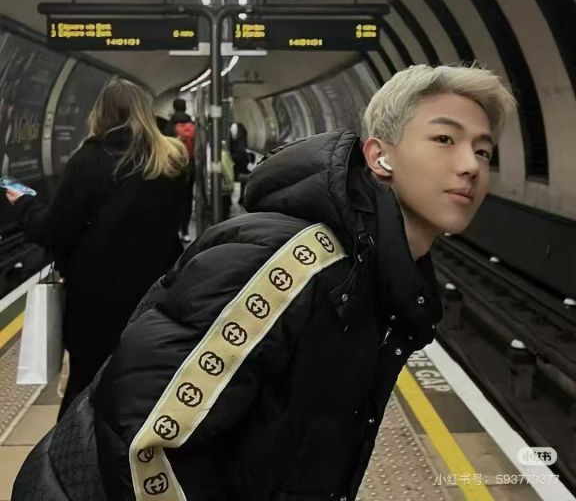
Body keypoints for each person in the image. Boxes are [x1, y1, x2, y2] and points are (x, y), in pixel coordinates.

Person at [13, 64, 516, 500]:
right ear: (380, 156)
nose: (470, 165)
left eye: (484, 151)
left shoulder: (373, 278)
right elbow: (144, 447)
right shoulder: (290, 265)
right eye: (445, 139)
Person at [6, 79, 189, 418]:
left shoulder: (88, 160)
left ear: (99, 114)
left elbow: (54, 231)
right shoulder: (172, 159)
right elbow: (180, 218)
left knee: (86, 388)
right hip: (156, 295)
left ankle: (75, 448)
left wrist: (24, 204)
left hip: (95, 302)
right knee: (145, 382)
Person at [170, 98, 196, 242]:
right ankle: (185, 231)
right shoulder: (192, 126)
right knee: (187, 198)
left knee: (173, 198)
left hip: (173, 166)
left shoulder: (170, 126)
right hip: (190, 167)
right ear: (185, 108)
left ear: (174, 108)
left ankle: (175, 230)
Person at [229, 120, 249, 204]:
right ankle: (242, 196)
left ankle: (239, 197)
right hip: (238, 171)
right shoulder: (241, 150)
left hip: (235, 170)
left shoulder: (232, 145)